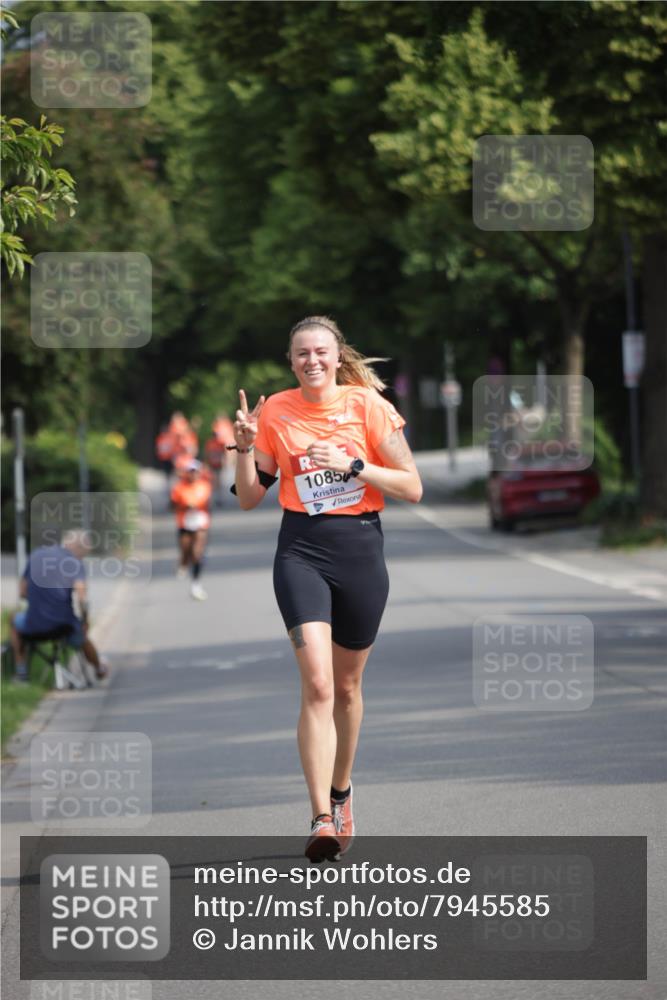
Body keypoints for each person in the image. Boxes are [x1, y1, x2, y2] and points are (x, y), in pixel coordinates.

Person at [232, 315, 422, 862]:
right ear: (291, 362)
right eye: (301, 353)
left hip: (360, 551)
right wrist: (244, 449)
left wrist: (354, 465)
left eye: (320, 352)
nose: (311, 361)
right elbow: (249, 498)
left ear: (338, 357)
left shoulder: (368, 407)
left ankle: (342, 793)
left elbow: (412, 486)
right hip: (301, 552)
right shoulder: (275, 411)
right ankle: (320, 816)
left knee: (346, 688)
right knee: (317, 684)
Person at [10, 530, 109, 684]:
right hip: (64, 626)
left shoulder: (36, 554)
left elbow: (22, 592)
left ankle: (21, 672)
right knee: (81, 636)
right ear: (79, 548)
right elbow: (82, 598)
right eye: (84, 553)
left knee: (14, 621)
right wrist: (85, 621)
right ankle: (99, 669)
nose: (82, 557)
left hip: (33, 625)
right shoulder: (75, 562)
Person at [170, 458, 212, 601]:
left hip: (200, 522)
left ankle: (196, 584)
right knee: (185, 550)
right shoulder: (179, 487)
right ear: (186, 473)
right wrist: (184, 506)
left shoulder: (204, 486)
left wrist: (196, 506)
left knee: (196, 553)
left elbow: (205, 502)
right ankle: (182, 563)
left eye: (195, 472)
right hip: (184, 522)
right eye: (190, 472)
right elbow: (172, 505)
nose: (193, 474)